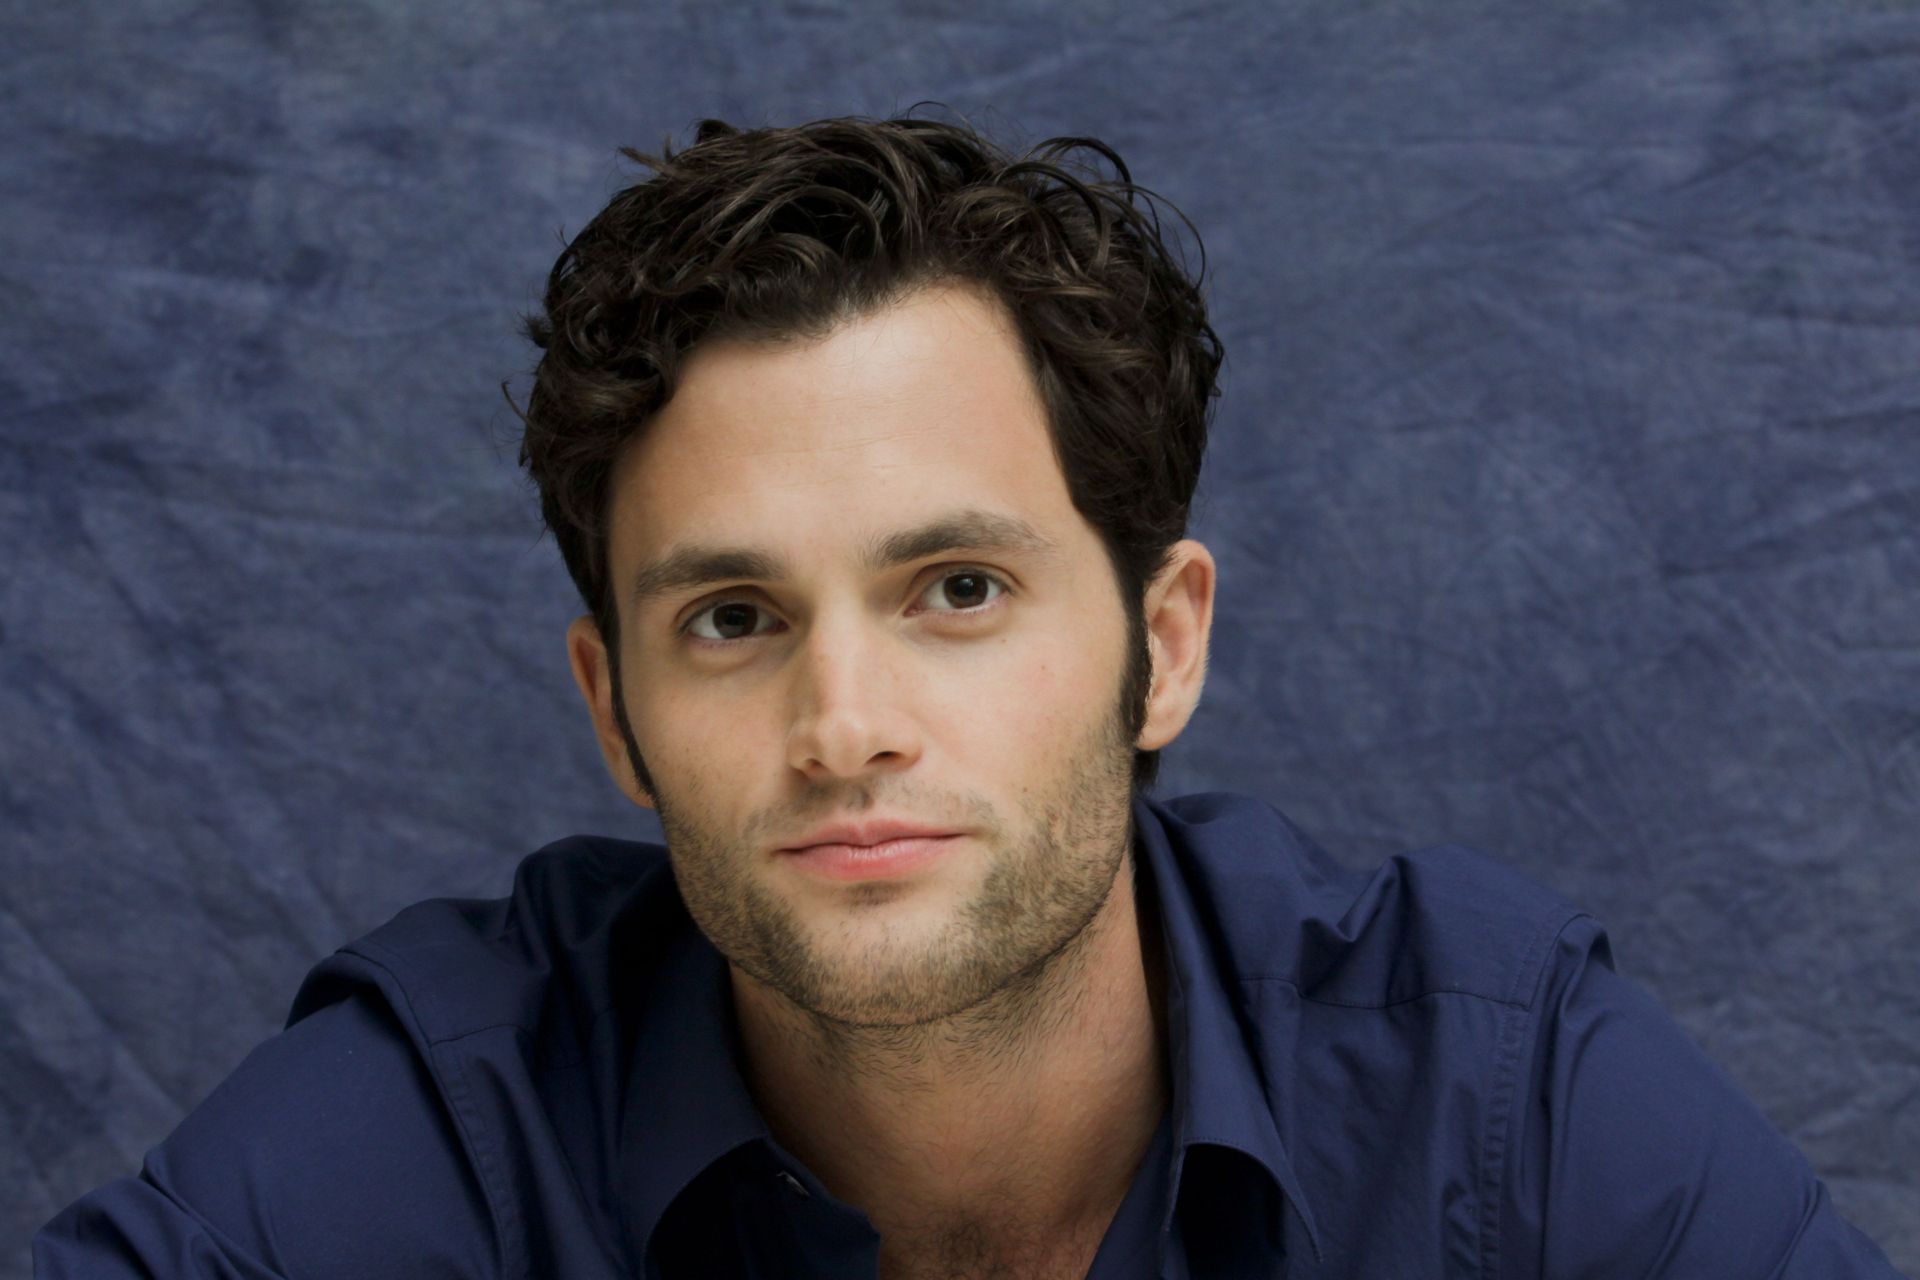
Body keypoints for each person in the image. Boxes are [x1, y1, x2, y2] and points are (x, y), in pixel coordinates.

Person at [34, 112, 1907, 1280]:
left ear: (1162, 644)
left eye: (957, 590)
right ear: (611, 709)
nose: (843, 722)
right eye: (734, 619)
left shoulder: (1496, 1094)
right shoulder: (449, 1121)